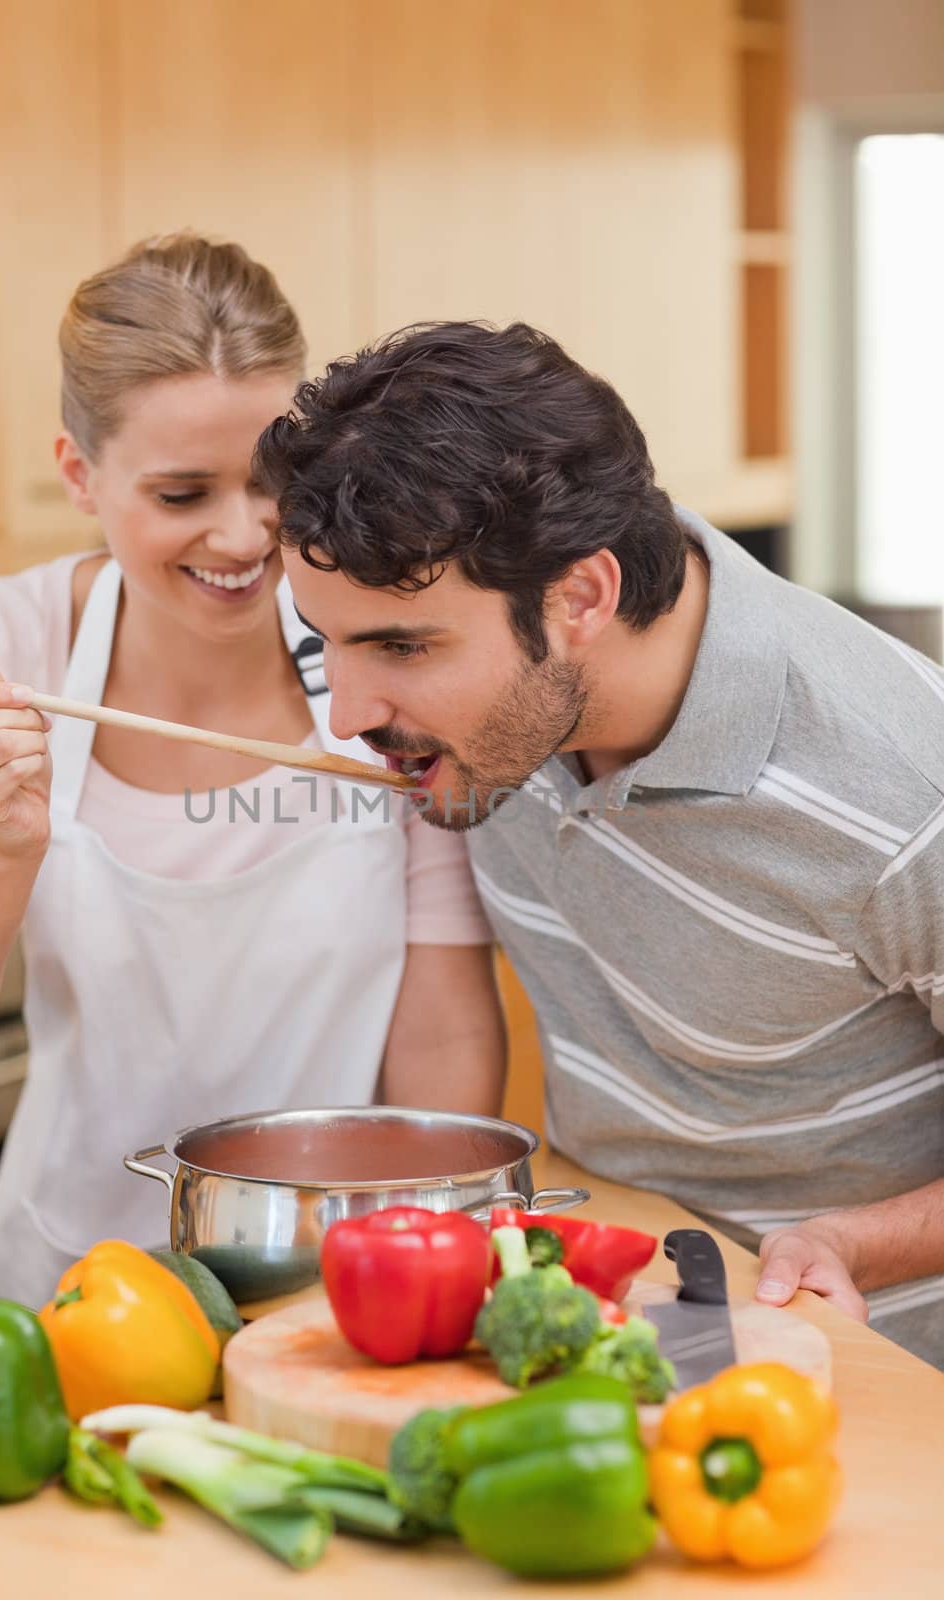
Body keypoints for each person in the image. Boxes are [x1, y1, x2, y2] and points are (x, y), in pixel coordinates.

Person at [255, 319, 944, 1369]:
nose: (345, 711)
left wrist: (848, 1240)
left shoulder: (900, 790)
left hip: (858, 1371)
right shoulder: (486, 714)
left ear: (582, 594)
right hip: (602, 1333)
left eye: (400, 646)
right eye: (324, 641)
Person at [0, 243, 505, 1309]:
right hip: (67, 1292)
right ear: (79, 474)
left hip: (333, 1285)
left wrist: (426, 1280)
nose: (242, 531)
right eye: (182, 492)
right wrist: (1, 845)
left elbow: (440, 1028)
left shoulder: (378, 638)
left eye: (274, 481)